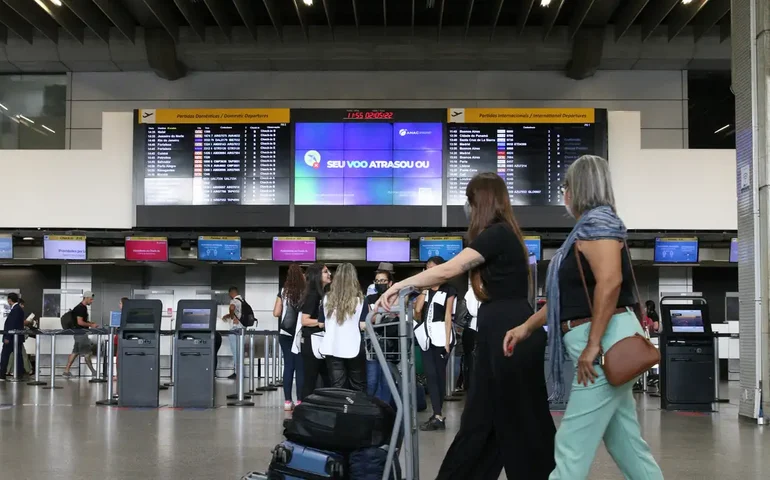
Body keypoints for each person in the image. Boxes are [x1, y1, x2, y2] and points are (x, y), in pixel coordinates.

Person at [376, 172, 555, 478]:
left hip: (506, 331)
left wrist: (399, 285)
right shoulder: (505, 234)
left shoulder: (497, 233)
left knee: (515, 423)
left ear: (481, 202)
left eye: (471, 202)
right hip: (502, 329)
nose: (468, 209)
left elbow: (451, 268)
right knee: (490, 421)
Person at [503, 155, 663, 480]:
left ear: (578, 188)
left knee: (570, 443)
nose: (564, 194)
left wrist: (592, 346)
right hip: (606, 342)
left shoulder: (598, 223)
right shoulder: (587, 227)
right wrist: (526, 327)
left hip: (604, 348)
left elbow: (610, 281)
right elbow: (569, 301)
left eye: (565, 186)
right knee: (626, 444)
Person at [413, 256, 456, 431]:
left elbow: (447, 317)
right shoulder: (425, 291)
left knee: (439, 376)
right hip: (426, 337)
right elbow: (417, 311)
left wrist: (447, 342)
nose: (429, 270)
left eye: (432, 267)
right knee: (430, 375)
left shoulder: (449, 290)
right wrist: (423, 289)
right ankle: (437, 414)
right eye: (427, 268)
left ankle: (438, 414)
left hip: (441, 337)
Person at [320, 263, 366, 391]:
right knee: (358, 386)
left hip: (331, 346)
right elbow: (363, 325)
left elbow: (322, 323)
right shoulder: (360, 300)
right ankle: (355, 410)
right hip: (354, 346)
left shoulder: (326, 299)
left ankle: (339, 410)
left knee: (337, 387)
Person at [361, 269, 400, 403]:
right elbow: (368, 319)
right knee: (372, 381)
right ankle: (374, 411)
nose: (380, 283)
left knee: (387, 381)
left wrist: (375, 315)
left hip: (390, 345)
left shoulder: (396, 298)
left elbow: (394, 316)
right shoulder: (369, 298)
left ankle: (385, 412)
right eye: (377, 281)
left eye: (383, 280)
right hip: (371, 345)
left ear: (389, 283)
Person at [274, 263, 306, 410]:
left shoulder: (283, 291)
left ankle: (287, 402)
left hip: (285, 333)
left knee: (288, 366)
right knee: (300, 367)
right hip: (300, 333)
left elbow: (276, 313)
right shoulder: (306, 291)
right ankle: (300, 400)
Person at [299, 263, 332, 400]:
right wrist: (321, 322)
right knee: (310, 379)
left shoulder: (323, 294)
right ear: (317, 276)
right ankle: (304, 410)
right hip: (312, 341)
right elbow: (304, 320)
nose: (329, 273)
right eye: (325, 272)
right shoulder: (313, 295)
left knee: (324, 377)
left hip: (319, 341)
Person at [63, 292, 98, 378]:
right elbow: (80, 322)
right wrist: (91, 325)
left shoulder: (81, 307)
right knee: (87, 353)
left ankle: (66, 371)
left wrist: (89, 323)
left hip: (77, 333)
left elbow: (80, 321)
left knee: (75, 352)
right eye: (91, 299)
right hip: (81, 334)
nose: (92, 301)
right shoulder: (81, 308)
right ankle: (94, 373)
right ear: (85, 298)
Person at [0, 293, 25, 381]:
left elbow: (12, 324)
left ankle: (2, 374)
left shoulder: (16, 309)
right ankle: (19, 374)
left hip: (12, 338)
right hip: (16, 337)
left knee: (5, 356)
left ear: (10, 300)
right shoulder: (18, 309)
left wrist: (7, 337)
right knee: (18, 356)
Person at [224, 286, 245, 380]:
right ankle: (240, 372)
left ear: (231, 293)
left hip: (235, 329)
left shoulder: (234, 301)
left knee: (236, 352)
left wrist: (231, 317)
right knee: (240, 352)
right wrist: (229, 315)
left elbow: (232, 308)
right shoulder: (242, 301)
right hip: (242, 329)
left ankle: (238, 373)